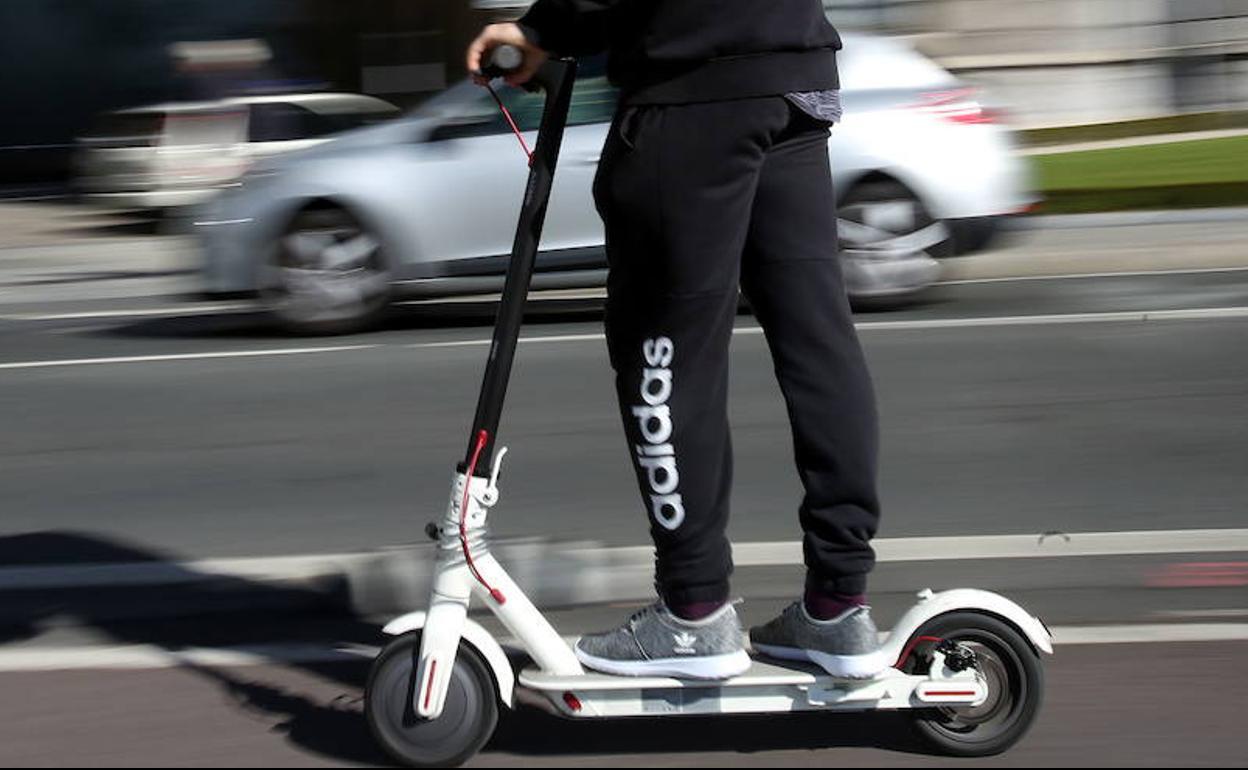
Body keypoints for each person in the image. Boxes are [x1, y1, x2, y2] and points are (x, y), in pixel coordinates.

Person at [467, 0, 887, 681]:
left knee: (662, 352)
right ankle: (839, 603)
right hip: (795, 82)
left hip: (694, 98)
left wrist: (542, 29)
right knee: (817, 340)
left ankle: (694, 613)